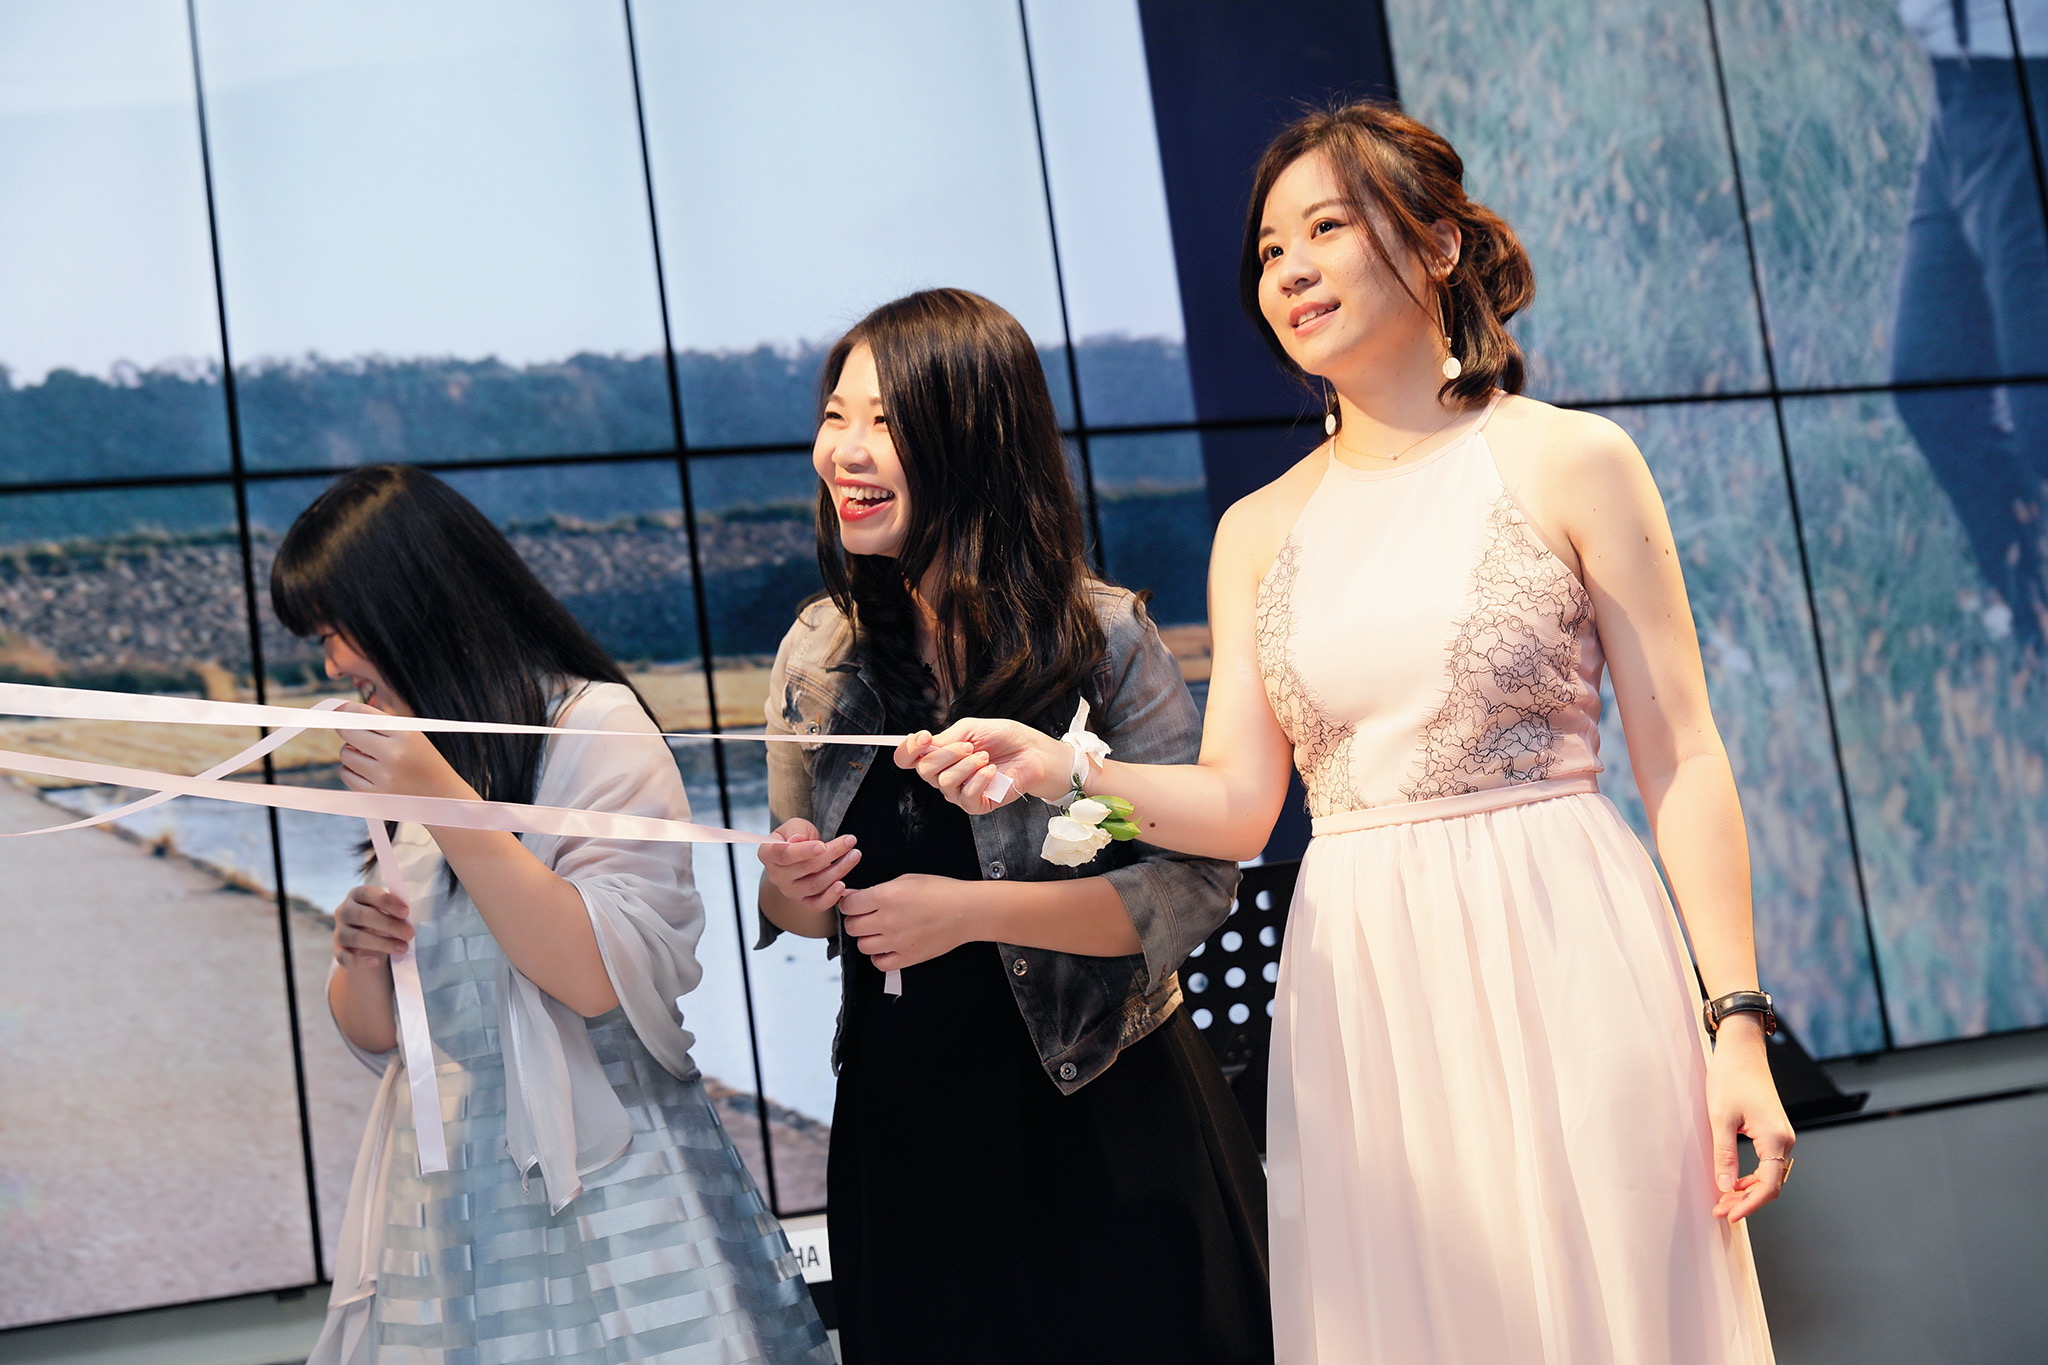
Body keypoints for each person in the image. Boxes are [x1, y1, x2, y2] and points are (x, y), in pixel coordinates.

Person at [905, 105, 1790, 1363]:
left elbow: (1683, 757)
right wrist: (1066, 772)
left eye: (1325, 228)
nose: (1290, 270)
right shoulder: (1258, 529)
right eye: (1270, 249)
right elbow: (1236, 809)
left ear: (1436, 245)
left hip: (1563, 938)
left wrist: (1734, 1022)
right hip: (1363, 976)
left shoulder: (1568, 459)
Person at [756, 289, 1273, 1365]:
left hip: (1104, 1121)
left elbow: (1191, 882)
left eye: (884, 421)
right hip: (905, 1138)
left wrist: (972, 912)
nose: (844, 451)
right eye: (835, 417)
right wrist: (794, 888)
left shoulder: (1103, 641)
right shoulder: (817, 654)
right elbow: (797, 908)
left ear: (975, 436)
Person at [275, 465, 831, 1364]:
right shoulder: (425, 756)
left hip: (612, 1196)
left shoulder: (591, 725)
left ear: (413, 604)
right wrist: (360, 954)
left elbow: (594, 975)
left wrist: (444, 803)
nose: (333, 663)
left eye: (338, 629)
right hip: (447, 1209)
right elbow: (386, 1036)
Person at [1892, 0, 2048, 646]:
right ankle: (2035, 624)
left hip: (2028, 86)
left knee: (2041, 422)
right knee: (1931, 385)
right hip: (1955, 96)